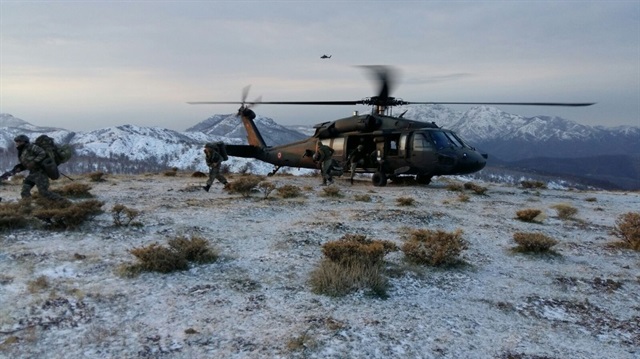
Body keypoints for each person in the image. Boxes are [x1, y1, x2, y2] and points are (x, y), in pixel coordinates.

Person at [10, 134, 64, 201]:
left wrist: (34, 162)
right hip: (32, 174)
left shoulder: (31, 147)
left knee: (44, 193)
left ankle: (64, 202)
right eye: (17, 142)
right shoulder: (22, 151)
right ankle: (27, 206)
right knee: (25, 191)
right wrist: (18, 168)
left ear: (25, 142)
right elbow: (27, 164)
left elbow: (42, 153)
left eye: (20, 141)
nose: (17, 143)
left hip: (40, 173)